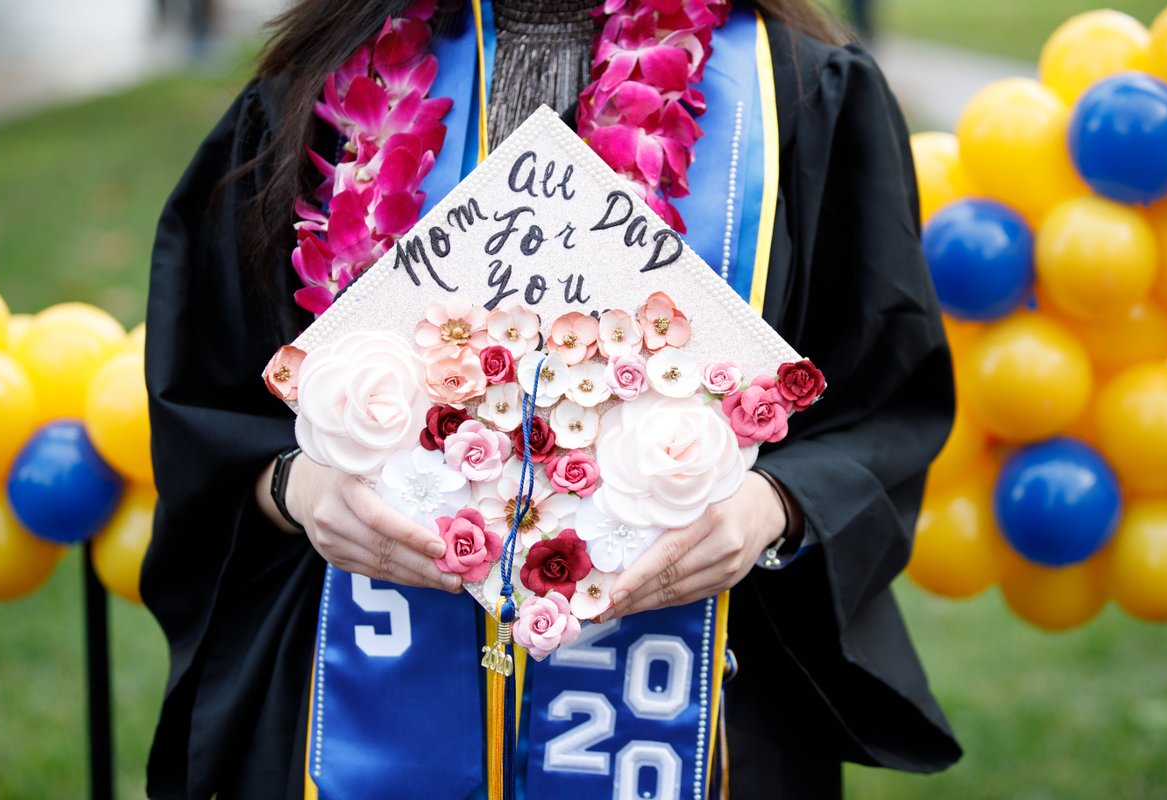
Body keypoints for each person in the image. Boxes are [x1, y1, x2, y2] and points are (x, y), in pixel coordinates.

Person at [142, 0, 962, 797]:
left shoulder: (798, 93)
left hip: (706, 715)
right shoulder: (329, 82)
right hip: (352, 691)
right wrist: (299, 487)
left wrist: (770, 506)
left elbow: (882, 401)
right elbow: (211, 395)